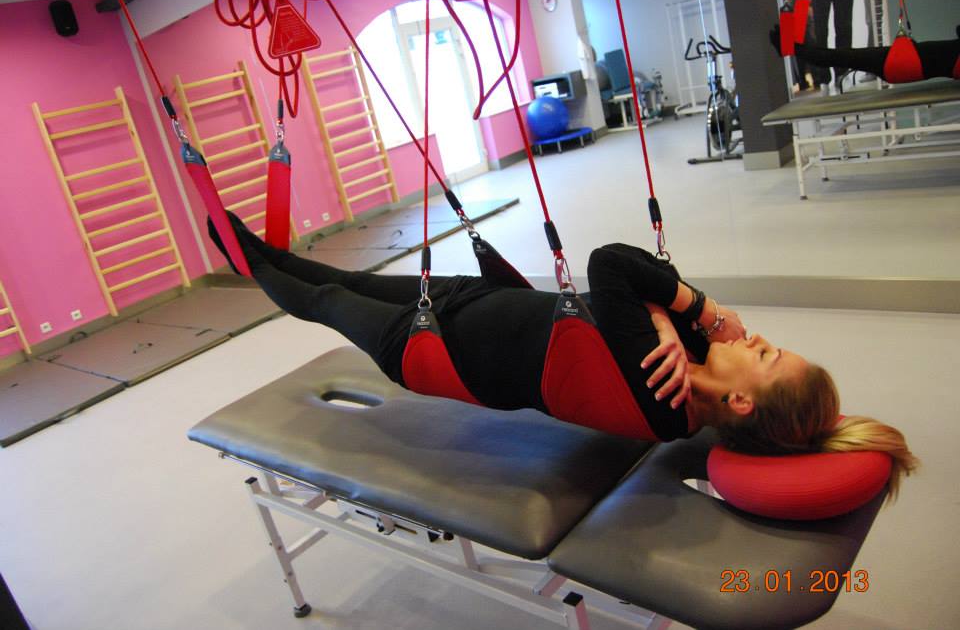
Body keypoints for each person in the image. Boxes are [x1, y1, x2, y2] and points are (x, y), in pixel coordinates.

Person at [210, 213, 918, 500]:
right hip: (470, 298)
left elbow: (610, 263)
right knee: (343, 276)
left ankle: (241, 257)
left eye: (766, 356)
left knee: (325, 297)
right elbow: (638, 280)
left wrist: (693, 309)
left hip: (430, 348)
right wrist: (667, 317)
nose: (756, 338)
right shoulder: (688, 358)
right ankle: (253, 243)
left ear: (739, 402)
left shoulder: (663, 389)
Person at [772, 23, 960, 82]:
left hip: (903, 63)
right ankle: (793, 48)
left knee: (841, 56)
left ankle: (791, 48)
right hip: (905, 60)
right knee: (842, 56)